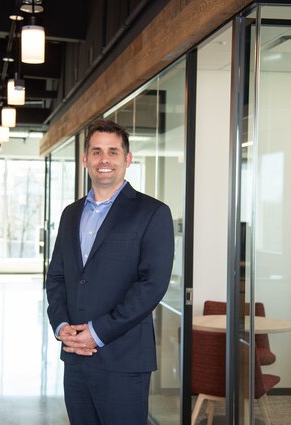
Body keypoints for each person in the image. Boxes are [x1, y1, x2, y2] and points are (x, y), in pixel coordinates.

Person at [46, 119, 174, 425]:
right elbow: (58, 277)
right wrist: (62, 324)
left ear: (127, 159)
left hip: (124, 358)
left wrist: (97, 332)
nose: (104, 159)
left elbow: (152, 285)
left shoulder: (152, 212)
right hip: (75, 357)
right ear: (85, 159)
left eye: (113, 152)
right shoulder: (70, 213)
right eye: (97, 151)